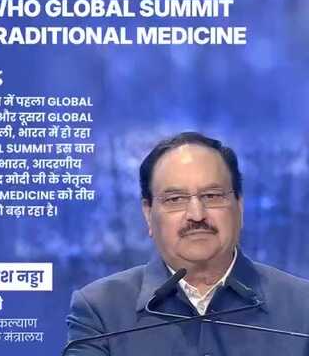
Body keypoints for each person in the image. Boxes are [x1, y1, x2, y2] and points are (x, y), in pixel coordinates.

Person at [65, 132, 309, 355]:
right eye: (175, 199)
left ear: (240, 207)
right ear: (148, 214)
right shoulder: (100, 310)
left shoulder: (302, 306)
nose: (196, 214)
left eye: (212, 196)